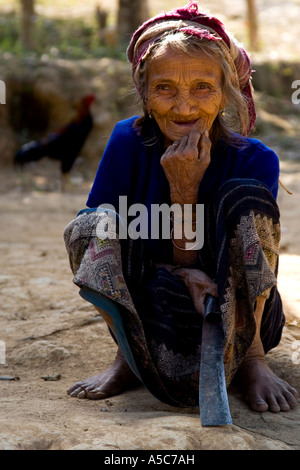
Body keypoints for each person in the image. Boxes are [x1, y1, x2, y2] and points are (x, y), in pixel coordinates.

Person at [64, 1, 299, 414]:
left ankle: (252, 360)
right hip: (153, 308)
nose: (184, 107)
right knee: (91, 226)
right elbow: (103, 246)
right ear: (144, 91)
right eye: (165, 87)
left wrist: (187, 193)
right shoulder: (128, 141)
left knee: (246, 196)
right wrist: (181, 200)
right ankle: (128, 356)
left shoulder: (255, 158)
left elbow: (253, 259)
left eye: (203, 88)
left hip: (240, 315)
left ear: (225, 92)